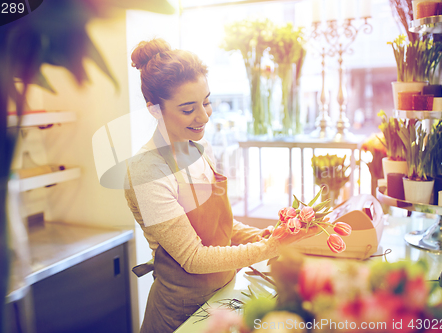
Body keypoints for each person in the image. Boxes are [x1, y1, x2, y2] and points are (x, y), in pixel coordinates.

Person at [124, 38, 318, 333]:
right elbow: (193, 257)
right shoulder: (147, 170)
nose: (204, 116)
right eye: (188, 109)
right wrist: (267, 247)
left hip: (223, 296)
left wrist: (260, 235)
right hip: (180, 314)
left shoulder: (200, 149)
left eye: (206, 101)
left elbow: (217, 226)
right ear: (154, 109)